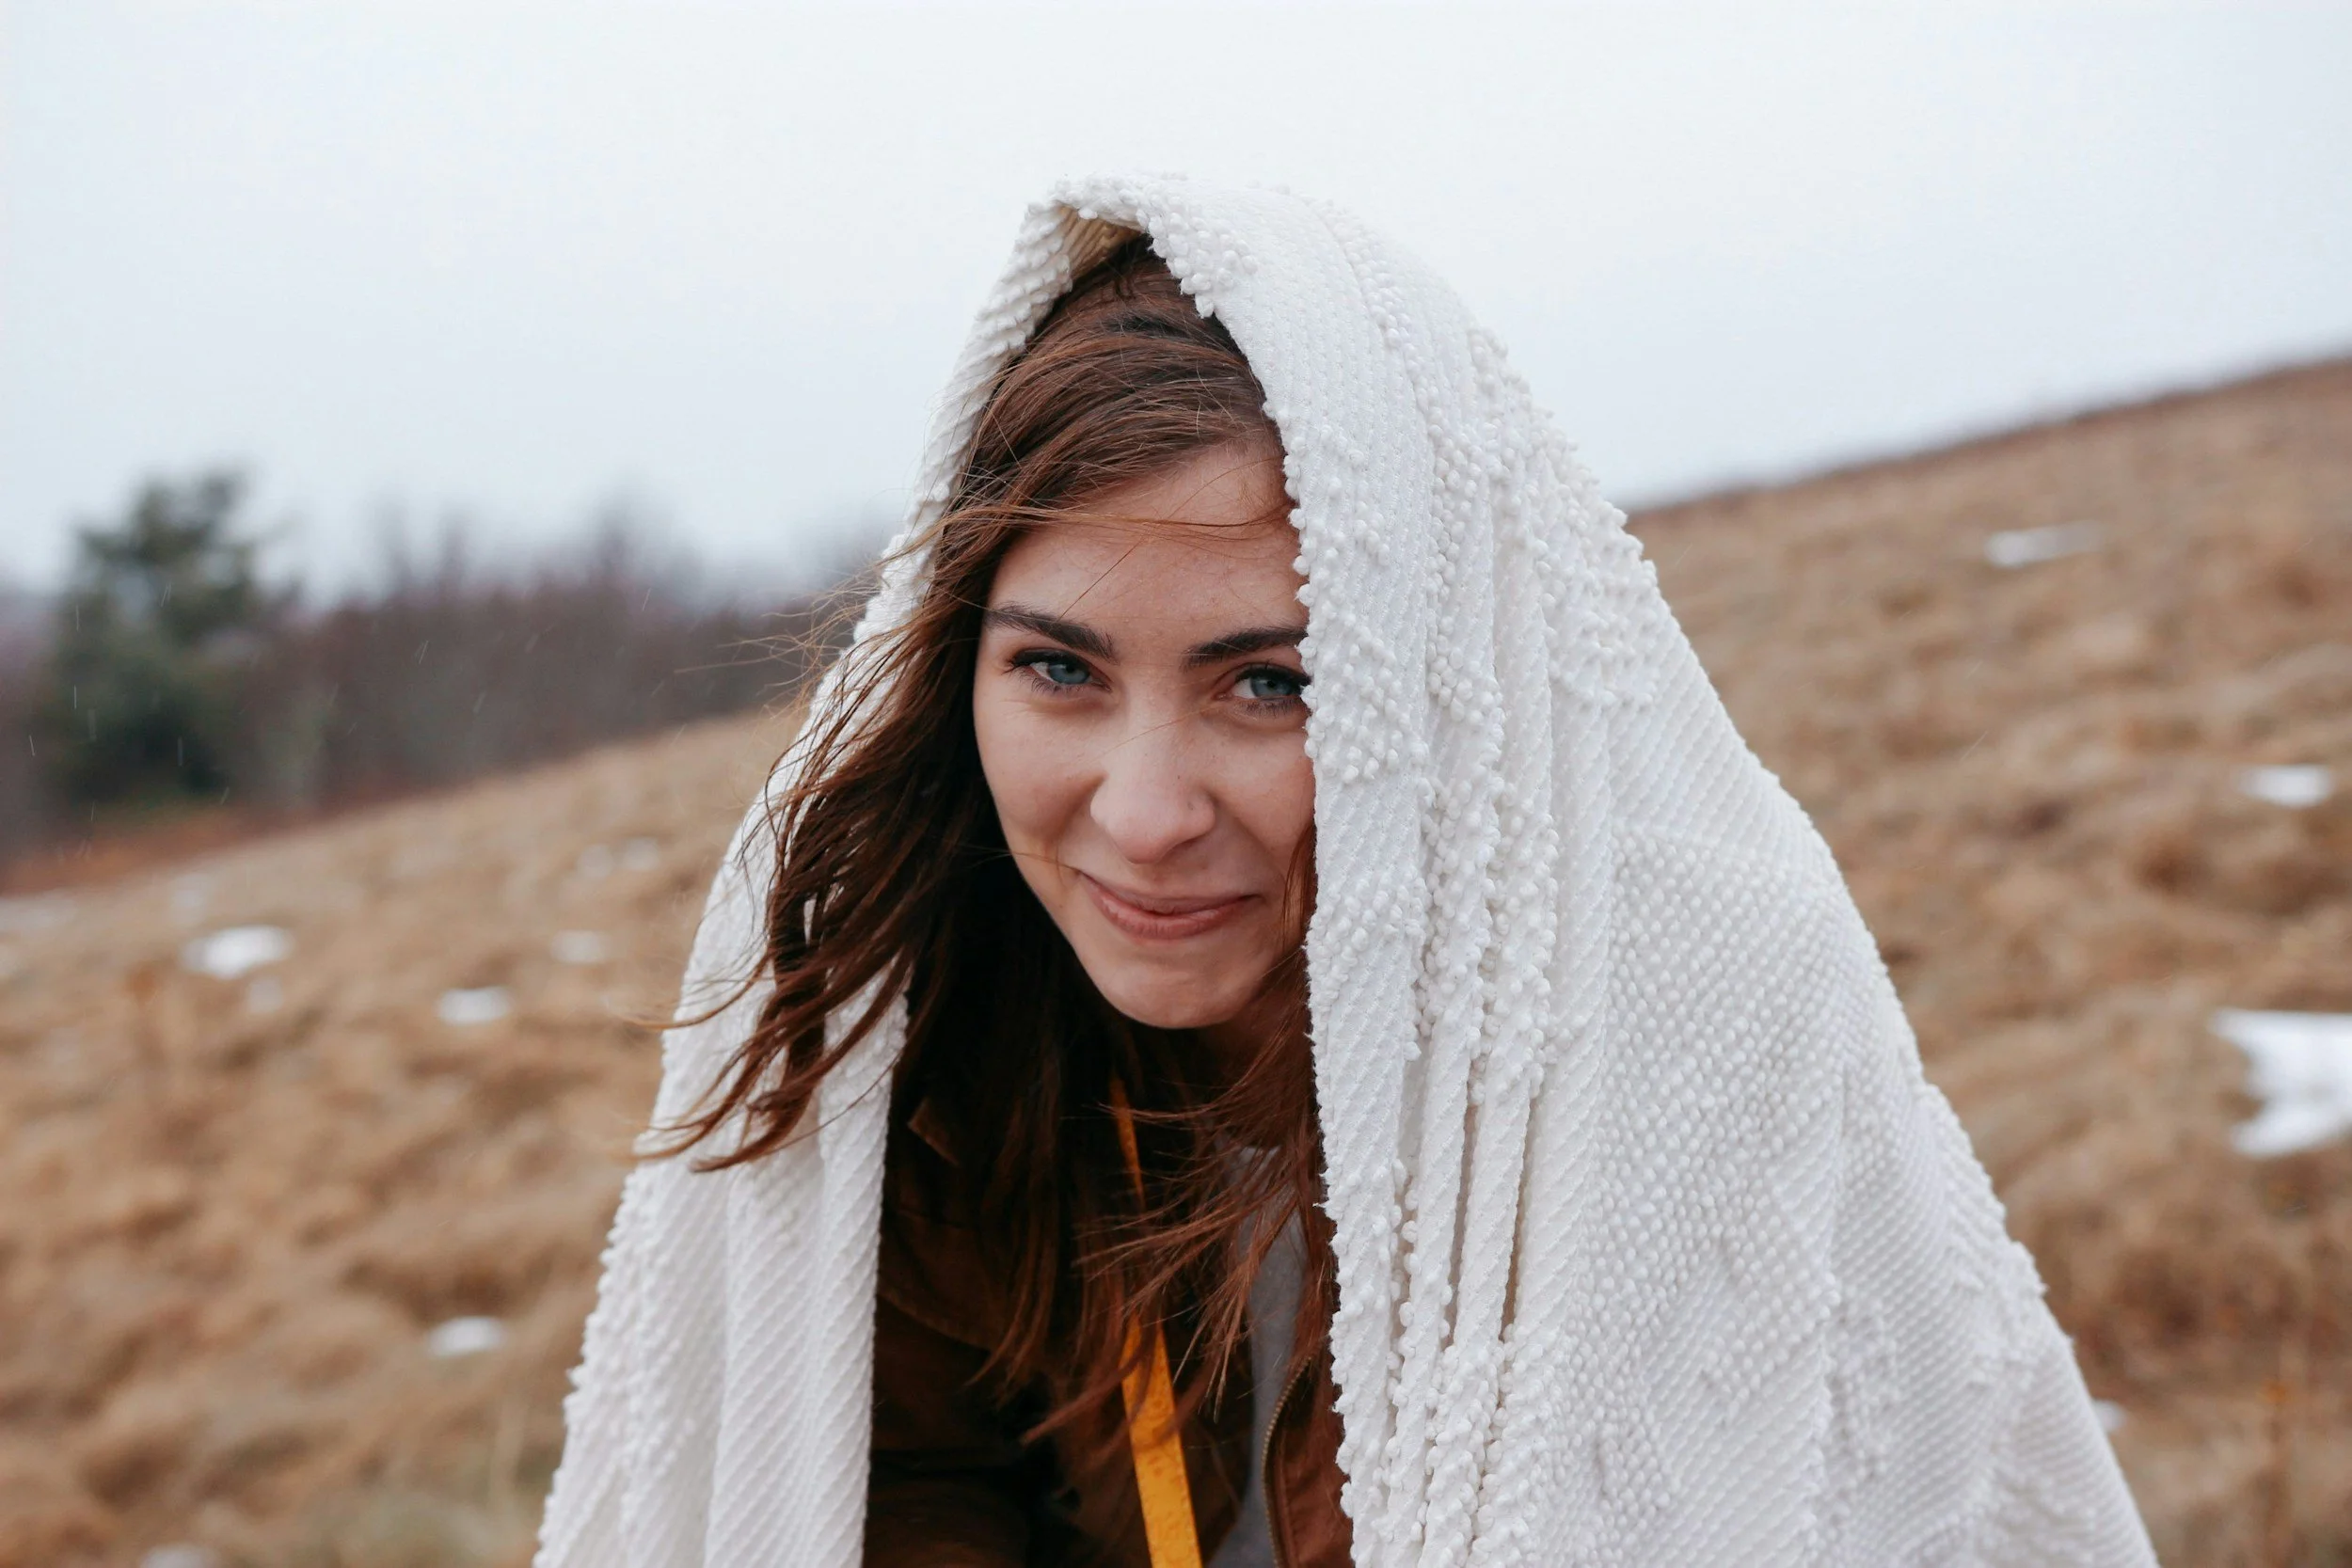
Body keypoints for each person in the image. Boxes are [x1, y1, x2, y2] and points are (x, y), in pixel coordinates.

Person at [535, 177, 2155, 1568]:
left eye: (1272, 684)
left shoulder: (1694, 1003)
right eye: (1059, 671)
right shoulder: (933, 1019)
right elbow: (899, 1492)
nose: (1148, 808)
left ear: (1433, 683)